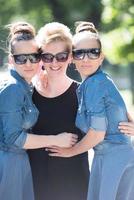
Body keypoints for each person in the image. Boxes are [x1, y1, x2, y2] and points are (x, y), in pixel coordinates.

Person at [48, 21, 134, 200]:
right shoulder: (99, 81)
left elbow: (97, 134)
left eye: (92, 52)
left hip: (112, 159)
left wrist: (70, 152)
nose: (86, 59)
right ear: (72, 57)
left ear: (101, 57)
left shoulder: (94, 84)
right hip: (118, 157)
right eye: (80, 53)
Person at [0, 21, 77, 200]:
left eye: (33, 57)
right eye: (21, 58)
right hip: (10, 165)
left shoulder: (25, 86)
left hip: (21, 164)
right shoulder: (13, 88)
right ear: (12, 60)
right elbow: (14, 138)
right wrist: (56, 140)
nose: (28, 63)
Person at [28, 22, 89, 200]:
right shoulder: (28, 94)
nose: (54, 62)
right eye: (47, 56)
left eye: (61, 56)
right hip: (37, 184)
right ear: (40, 58)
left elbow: (113, 117)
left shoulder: (83, 92)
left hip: (76, 184)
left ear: (70, 57)